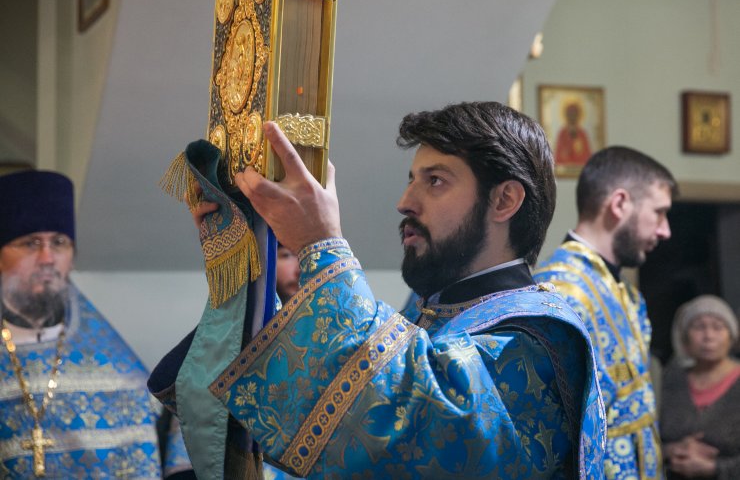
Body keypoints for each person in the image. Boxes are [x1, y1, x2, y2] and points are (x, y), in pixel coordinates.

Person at [151, 101, 606, 479]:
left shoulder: (538, 337)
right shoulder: (437, 316)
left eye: (435, 181)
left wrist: (320, 244)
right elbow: (318, 414)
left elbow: (403, 425)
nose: (405, 203)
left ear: (504, 200)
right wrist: (249, 266)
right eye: (411, 180)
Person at [0, 170, 194, 479]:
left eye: (59, 243)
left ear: (72, 257)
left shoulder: (120, 374)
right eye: (30, 243)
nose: (47, 258)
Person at [534, 146, 677, 480]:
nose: (665, 230)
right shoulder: (560, 292)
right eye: (659, 213)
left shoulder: (623, 291)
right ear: (619, 204)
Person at [660, 295, 740, 479]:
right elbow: (650, 437)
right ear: (685, 338)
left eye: (718, 327)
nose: (708, 336)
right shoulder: (671, 379)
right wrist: (671, 450)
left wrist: (714, 468)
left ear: (731, 336)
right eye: (699, 327)